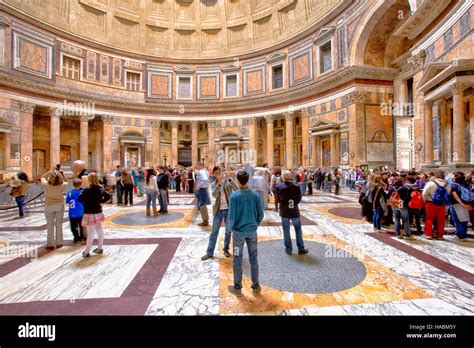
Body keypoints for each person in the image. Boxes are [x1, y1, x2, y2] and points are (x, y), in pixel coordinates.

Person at [227, 170, 264, 297]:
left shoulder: (234, 196)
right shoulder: (255, 195)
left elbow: (231, 217)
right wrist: (255, 225)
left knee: (237, 258)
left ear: (237, 180)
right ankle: (256, 286)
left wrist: (229, 229)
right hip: (252, 233)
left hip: (238, 234)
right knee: (253, 258)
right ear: (247, 180)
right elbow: (261, 214)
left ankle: (237, 287)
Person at [201, 167, 238, 261]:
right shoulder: (214, 184)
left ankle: (226, 249)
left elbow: (236, 189)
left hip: (228, 209)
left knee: (228, 231)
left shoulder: (228, 182)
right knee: (214, 232)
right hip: (218, 210)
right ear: (214, 175)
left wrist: (230, 179)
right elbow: (214, 194)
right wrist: (220, 184)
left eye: (219, 172)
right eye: (216, 173)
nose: (219, 174)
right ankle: (209, 252)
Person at [78, 173, 111, 258]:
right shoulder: (100, 188)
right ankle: (100, 247)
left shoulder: (87, 189)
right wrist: (101, 201)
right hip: (98, 211)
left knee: (91, 232)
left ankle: (87, 251)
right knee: (99, 229)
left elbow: (80, 199)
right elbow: (108, 196)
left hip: (89, 212)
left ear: (89, 180)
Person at [276, 171, 308, 255]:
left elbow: (278, 200)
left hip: (284, 211)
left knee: (286, 230)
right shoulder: (296, 186)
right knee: (298, 230)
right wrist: (294, 203)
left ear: (283, 177)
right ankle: (301, 248)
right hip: (294, 211)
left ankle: (288, 249)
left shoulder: (279, 186)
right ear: (291, 177)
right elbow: (299, 199)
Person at [41, 169, 68, 250]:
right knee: (59, 224)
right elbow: (67, 181)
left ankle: (50, 243)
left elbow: (42, 177)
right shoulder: (62, 185)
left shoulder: (46, 184)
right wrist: (62, 174)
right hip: (59, 205)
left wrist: (50, 171)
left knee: (49, 225)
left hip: (49, 205)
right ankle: (59, 242)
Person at [422, 170, 451, 240]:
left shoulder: (430, 183)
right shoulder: (448, 184)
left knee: (429, 219)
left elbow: (424, 193)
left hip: (430, 203)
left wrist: (424, 201)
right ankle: (440, 235)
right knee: (441, 220)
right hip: (442, 204)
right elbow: (448, 194)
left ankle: (428, 234)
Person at [449, 172, 471, 241]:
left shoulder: (453, 185)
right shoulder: (464, 184)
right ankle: (464, 235)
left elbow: (455, 196)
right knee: (464, 220)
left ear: (455, 177)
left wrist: (462, 204)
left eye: (452, 174)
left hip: (456, 204)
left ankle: (460, 236)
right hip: (465, 204)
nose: (451, 175)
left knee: (457, 220)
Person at [65, 178, 85, 244]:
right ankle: (82, 236)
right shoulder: (82, 192)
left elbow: (67, 201)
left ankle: (76, 237)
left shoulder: (70, 192)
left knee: (73, 226)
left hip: (72, 212)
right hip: (81, 212)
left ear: (73, 184)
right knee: (81, 225)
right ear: (80, 184)